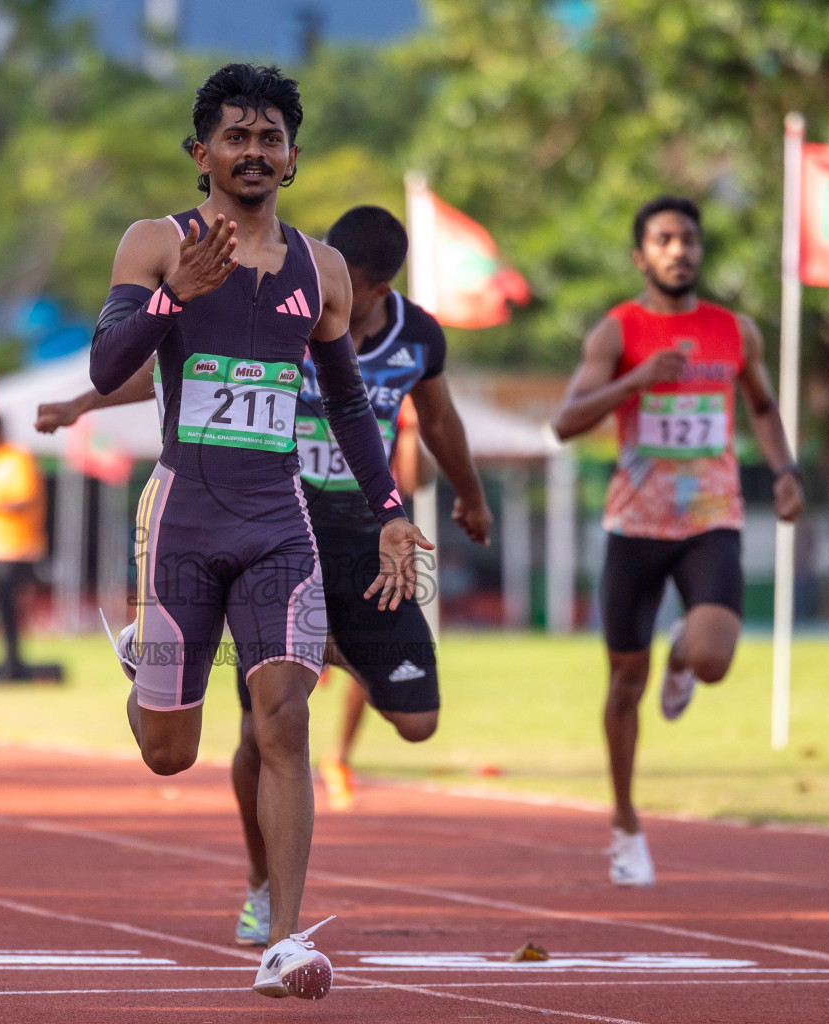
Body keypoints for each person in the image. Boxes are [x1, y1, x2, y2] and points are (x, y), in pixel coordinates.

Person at [40, 206, 493, 945]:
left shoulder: (407, 337)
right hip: (245, 514)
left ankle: (283, 927)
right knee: (207, 742)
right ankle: (261, 882)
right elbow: (156, 368)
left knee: (402, 720)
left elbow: (420, 418)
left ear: (375, 289)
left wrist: (437, 502)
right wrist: (84, 402)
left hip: (343, 538)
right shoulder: (257, 292)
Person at [83, 64, 430, 1001]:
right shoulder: (157, 242)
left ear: (292, 157)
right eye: (235, 136)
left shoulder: (318, 268)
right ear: (201, 155)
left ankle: (286, 939)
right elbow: (108, 360)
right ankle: (147, 663)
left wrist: (392, 512)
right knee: (170, 752)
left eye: (270, 137)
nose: (254, 151)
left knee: (283, 718)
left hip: (280, 523)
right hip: (185, 516)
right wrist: (171, 298)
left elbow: (352, 403)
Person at [552, 195, 805, 887]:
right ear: (641, 256)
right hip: (634, 526)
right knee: (622, 684)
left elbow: (759, 404)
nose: (679, 250)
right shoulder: (617, 331)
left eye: (689, 239)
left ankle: (683, 658)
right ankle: (626, 823)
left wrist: (784, 471)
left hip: (712, 518)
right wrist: (637, 379)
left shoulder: (734, 332)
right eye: (664, 239)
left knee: (715, 657)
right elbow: (565, 422)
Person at [0, 415, 50, 682]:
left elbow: (23, 499)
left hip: (17, 548)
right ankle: (8, 663)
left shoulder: (18, 459)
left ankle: (14, 665)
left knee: (10, 608)